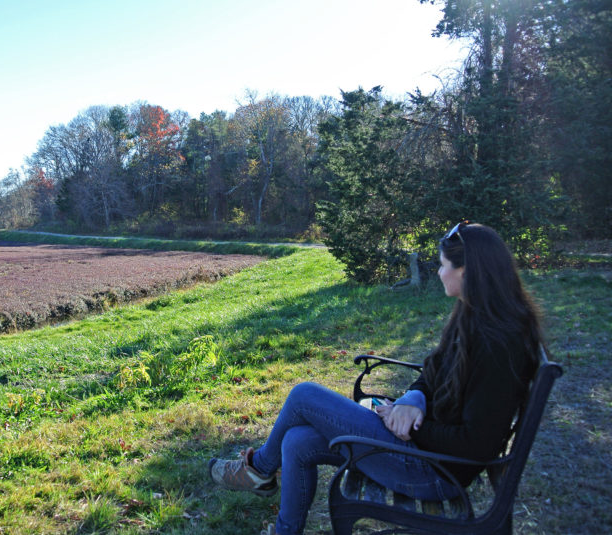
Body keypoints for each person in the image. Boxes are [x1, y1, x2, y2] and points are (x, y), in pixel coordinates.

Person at [208, 222, 544, 535]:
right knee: (296, 441)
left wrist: (411, 426)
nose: (439, 273)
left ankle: (259, 470)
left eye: (443, 265)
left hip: (433, 471)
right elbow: (433, 371)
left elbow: (475, 444)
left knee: (303, 394)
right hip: (421, 448)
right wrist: (412, 401)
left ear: (468, 272)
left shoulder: (499, 345)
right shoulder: (475, 314)